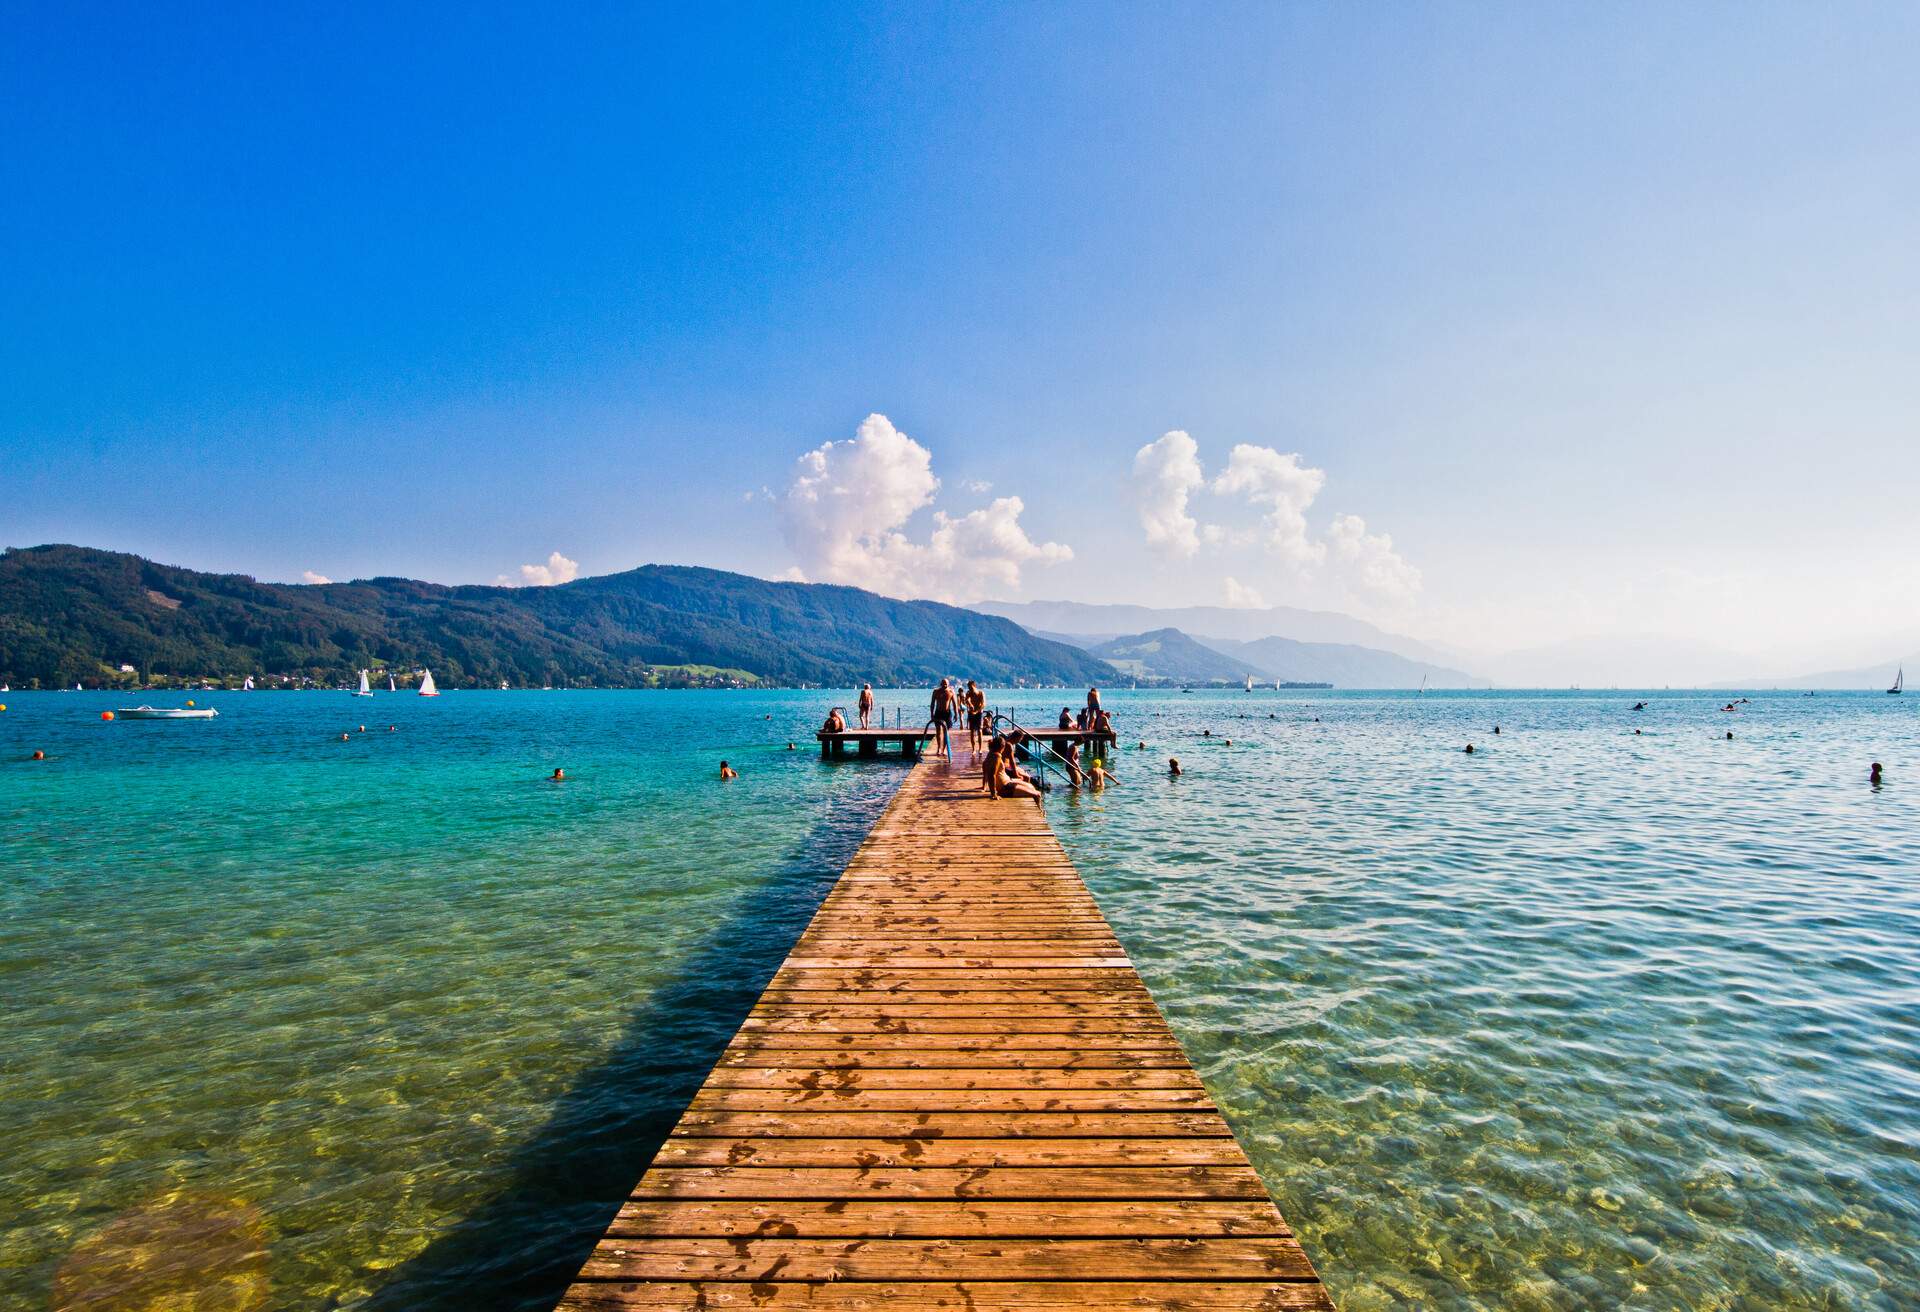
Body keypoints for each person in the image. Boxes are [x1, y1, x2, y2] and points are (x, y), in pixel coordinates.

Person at [929, 678, 957, 759]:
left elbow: (955, 704)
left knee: (945, 732)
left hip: (947, 713)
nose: (945, 685)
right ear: (940, 684)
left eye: (946, 683)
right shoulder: (936, 691)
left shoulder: (951, 691)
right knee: (938, 731)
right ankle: (939, 748)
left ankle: (944, 749)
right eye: (943, 683)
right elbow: (932, 703)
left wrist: (956, 714)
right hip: (938, 712)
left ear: (948, 684)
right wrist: (931, 714)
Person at [965, 679, 986, 751]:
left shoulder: (980, 693)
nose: (970, 689)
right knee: (972, 731)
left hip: (979, 713)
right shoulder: (969, 693)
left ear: (974, 686)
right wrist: (970, 704)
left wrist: (977, 711)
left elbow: (983, 704)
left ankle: (980, 748)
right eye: (969, 688)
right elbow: (967, 700)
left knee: (980, 730)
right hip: (971, 713)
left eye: (971, 687)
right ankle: (973, 749)